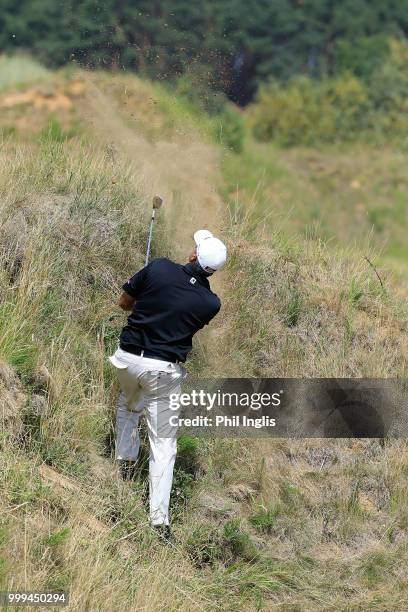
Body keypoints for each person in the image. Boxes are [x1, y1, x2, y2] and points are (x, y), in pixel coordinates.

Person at [109, 230, 227, 539]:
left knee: (129, 405)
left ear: (192, 255)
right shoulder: (210, 303)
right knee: (163, 444)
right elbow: (178, 317)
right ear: (211, 270)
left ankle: (123, 465)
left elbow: (124, 303)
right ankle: (159, 521)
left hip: (128, 359)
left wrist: (145, 298)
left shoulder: (159, 266)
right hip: (162, 372)